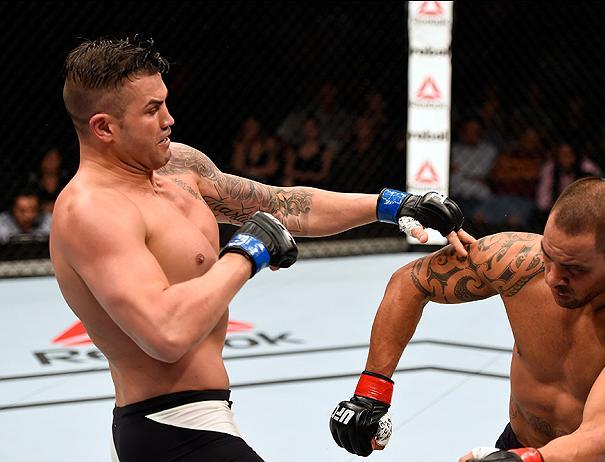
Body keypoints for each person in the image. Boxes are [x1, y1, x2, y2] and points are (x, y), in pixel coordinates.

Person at [50, 36, 471, 462]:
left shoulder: (179, 166)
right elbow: (166, 333)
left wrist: (395, 205)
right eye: (151, 110)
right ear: (104, 127)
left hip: (199, 418)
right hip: (167, 429)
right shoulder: (93, 211)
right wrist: (247, 252)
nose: (169, 119)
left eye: (165, 102)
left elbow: (283, 206)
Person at [329, 177, 605, 461]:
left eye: (574, 270)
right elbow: (410, 283)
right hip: (519, 445)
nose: (552, 277)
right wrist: (372, 391)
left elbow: (601, 438)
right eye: (550, 255)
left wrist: (525, 461)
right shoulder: (518, 261)